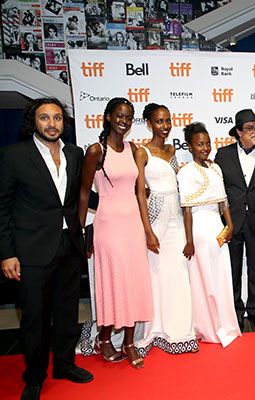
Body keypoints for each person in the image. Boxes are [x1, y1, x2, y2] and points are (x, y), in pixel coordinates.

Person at [0, 98, 93, 400]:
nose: (52, 124)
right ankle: (34, 377)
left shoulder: (74, 154)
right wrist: (7, 253)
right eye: (44, 118)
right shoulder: (13, 156)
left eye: (57, 118)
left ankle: (65, 364)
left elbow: (82, 194)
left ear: (64, 123)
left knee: (67, 312)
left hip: (69, 244)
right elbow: (1, 207)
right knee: (35, 317)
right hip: (32, 249)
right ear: (33, 122)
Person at [78, 98, 153, 369]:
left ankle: (129, 342)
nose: (124, 120)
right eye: (120, 115)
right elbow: (85, 193)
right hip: (108, 226)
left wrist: (147, 227)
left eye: (129, 117)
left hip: (132, 225)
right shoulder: (96, 151)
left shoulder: (135, 150)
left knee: (133, 283)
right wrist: (79, 231)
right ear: (108, 117)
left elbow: (138, 192)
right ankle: (106, 337)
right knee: (113, 283)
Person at [133, 104, 198, 355]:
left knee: (179, 271)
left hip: (177, 216)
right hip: (156, 214)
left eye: (168, 120)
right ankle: (154, 330)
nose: (165, 126)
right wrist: (148, 230)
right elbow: (140, 193)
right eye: (159, 121)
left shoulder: (173, 151)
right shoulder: (142, 152)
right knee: (155, 273)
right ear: (149, 124)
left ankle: (179, 330)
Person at [177, 123, 241, 347]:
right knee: (204, 281)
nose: (205, 148)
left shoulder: (216, 168)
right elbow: (186, 210)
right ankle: (208, 326)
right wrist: (189, 240)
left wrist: (230, 225)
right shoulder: (185, 172)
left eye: (207, 143)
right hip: (199, 231)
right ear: (190, 146)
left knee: (221, 278)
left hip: (218, 229)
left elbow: (224, 202)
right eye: (200, 144)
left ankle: (225, 322)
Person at [214, 109, 255, 331]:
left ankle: (254, 311)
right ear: (238, 132)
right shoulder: (223, 155)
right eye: (249, 128)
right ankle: (236, 312)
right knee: (234, 269)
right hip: (232, 222)